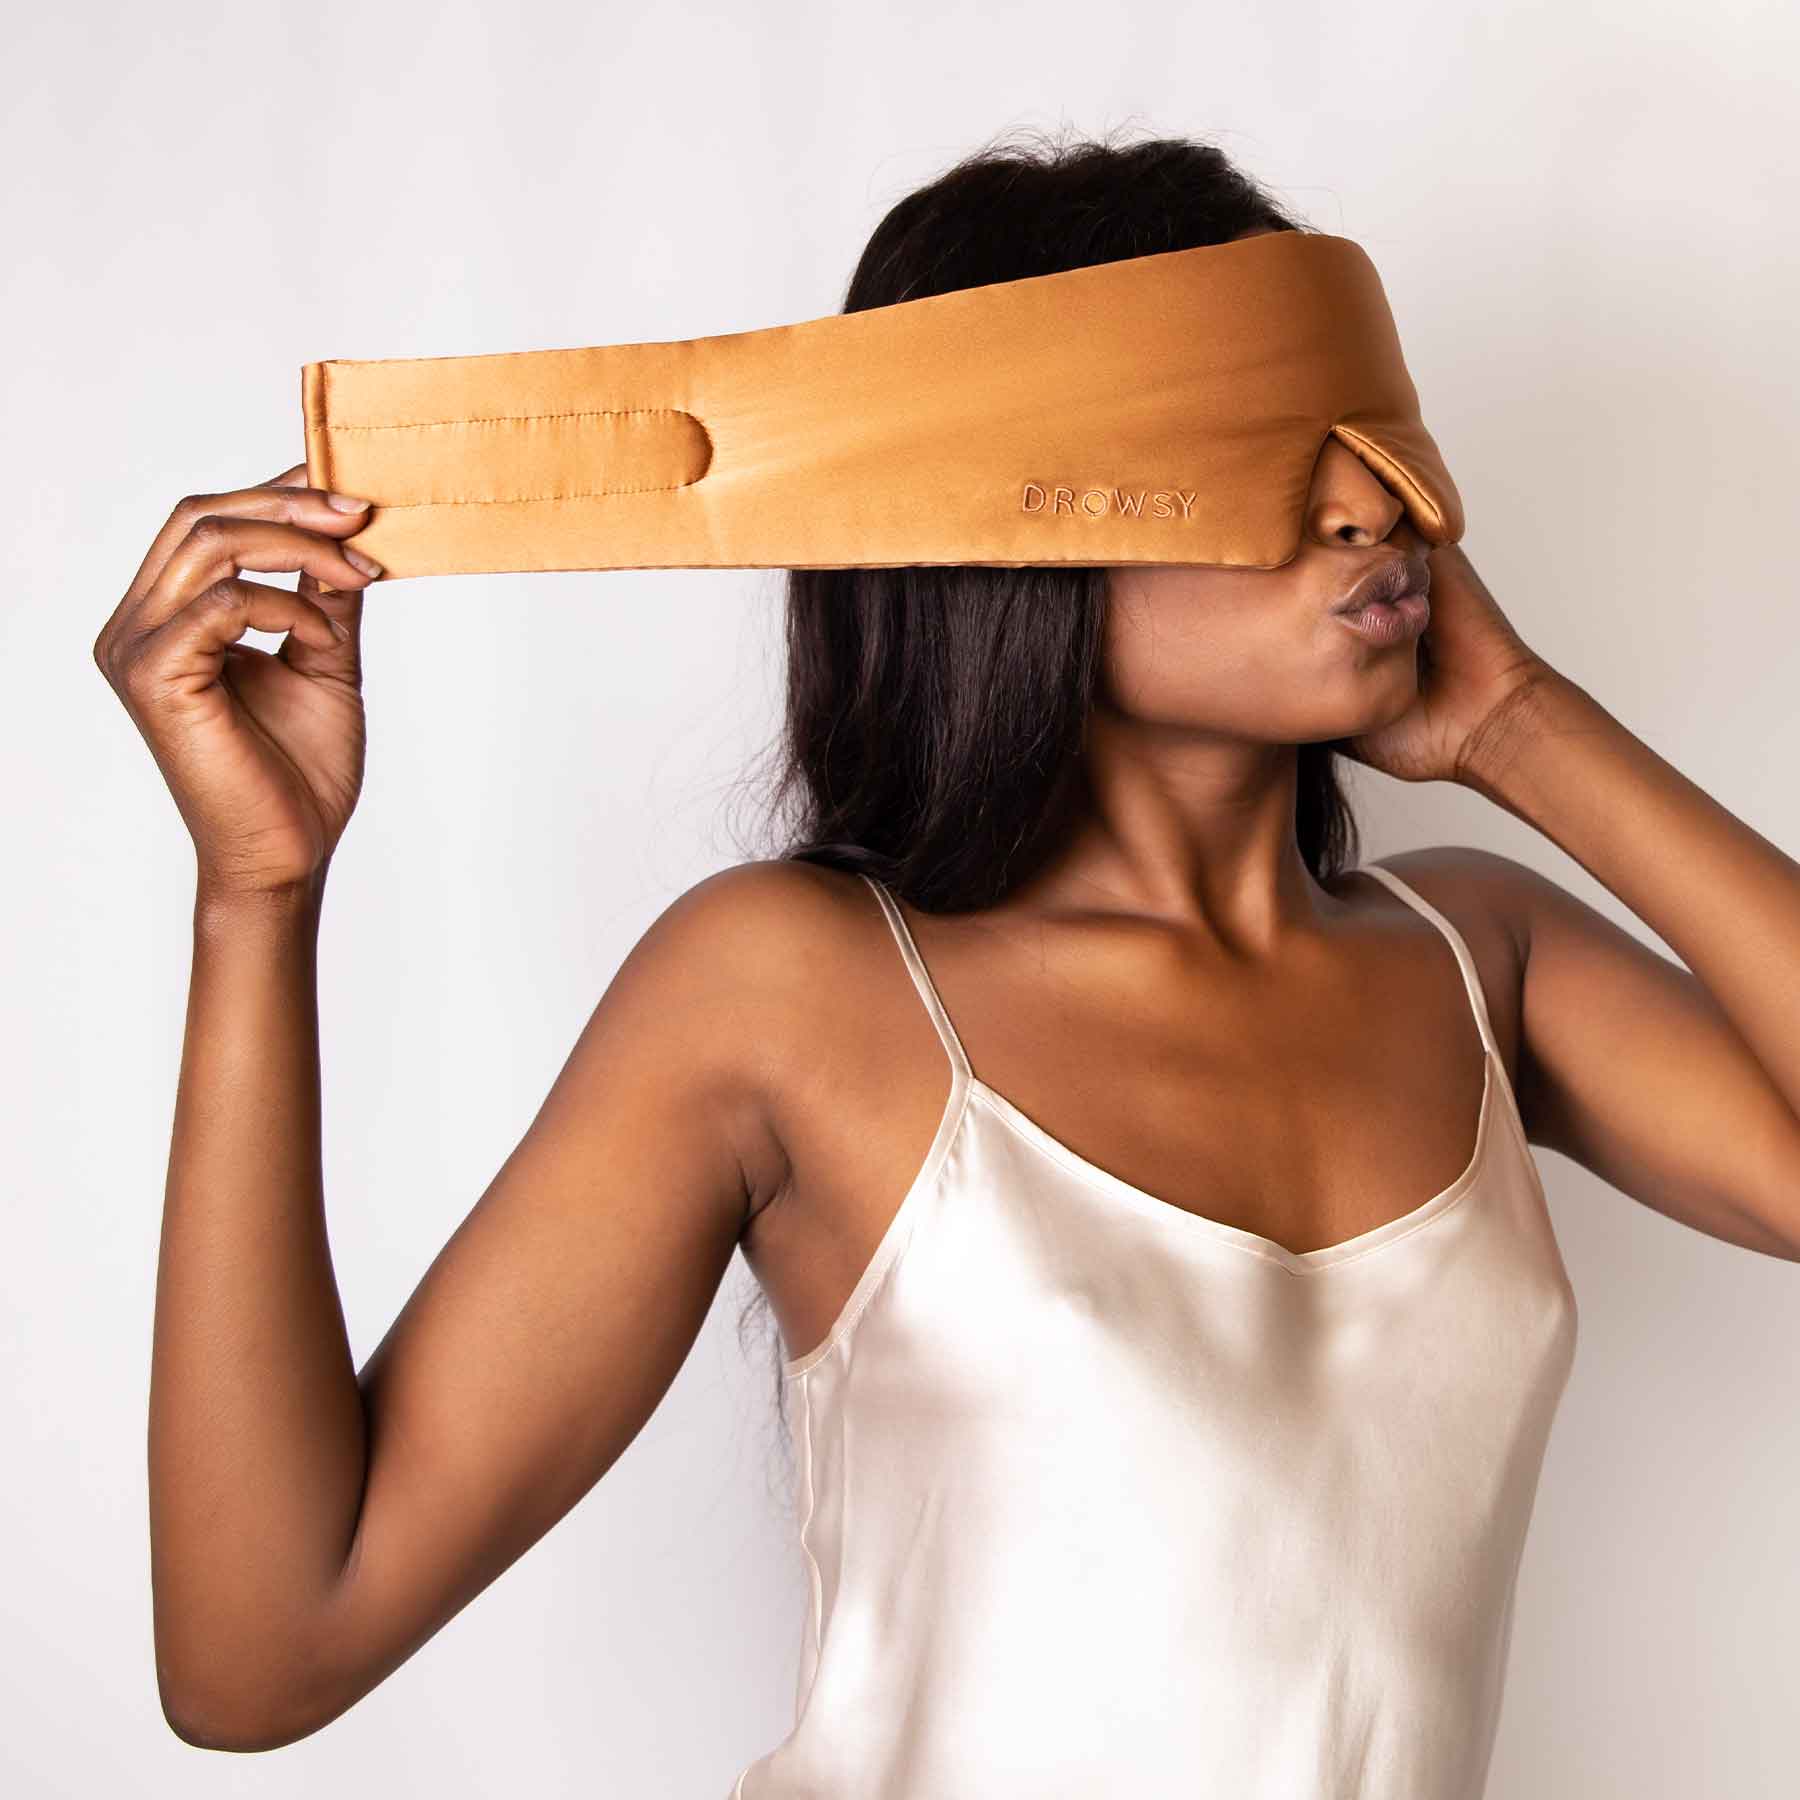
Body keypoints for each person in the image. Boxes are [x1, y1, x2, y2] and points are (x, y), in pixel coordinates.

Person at [94, 128, 1800, 1795]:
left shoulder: (1475, 966)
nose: (1372, 502)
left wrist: (1519, 722)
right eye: (1261, 437)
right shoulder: (796, 991)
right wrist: (259, 895)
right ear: (998, 509)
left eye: (1374, 430)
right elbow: (261, 1654)